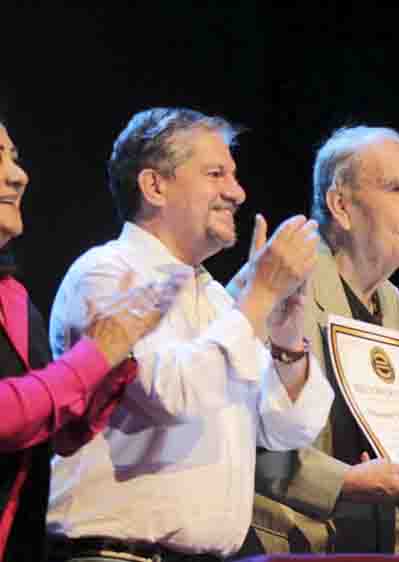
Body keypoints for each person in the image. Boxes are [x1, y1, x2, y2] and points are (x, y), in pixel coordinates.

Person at [44, 108, 334, 561]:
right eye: (215, 174)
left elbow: (285, 429)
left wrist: (286, 340)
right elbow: (174, 395)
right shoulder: (106, 274)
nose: (236, 193)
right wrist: (259, 295)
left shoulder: (216, 298)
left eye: (234, 176)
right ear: (154, 186)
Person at [233, 126, 399, 554]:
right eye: (398, 189)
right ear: (341, 205)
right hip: (282, 544)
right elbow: (233, 432)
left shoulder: (390, 301)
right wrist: (341, 482)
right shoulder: (279, 276)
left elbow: (391, 449)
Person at [0, 119, 186, 561]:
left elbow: (55, 433)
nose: (17, 175)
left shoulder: (14, 298)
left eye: (13, 156)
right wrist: (93, 355)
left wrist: (115, 362)